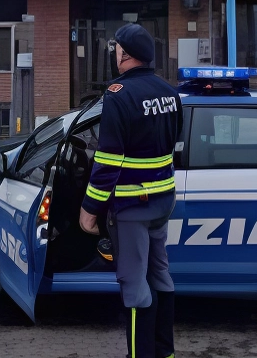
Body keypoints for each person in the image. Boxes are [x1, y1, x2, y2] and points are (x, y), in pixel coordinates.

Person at [79, 23, 182, 358]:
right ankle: (165, 352)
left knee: (135, 287)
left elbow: (107, 161)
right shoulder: (170, 92)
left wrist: (90, 208)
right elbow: (172, 146)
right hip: (162, 202)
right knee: (160, 277)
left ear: (123, 54)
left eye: (116, 51)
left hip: (132, 208)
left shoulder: (118, 94)